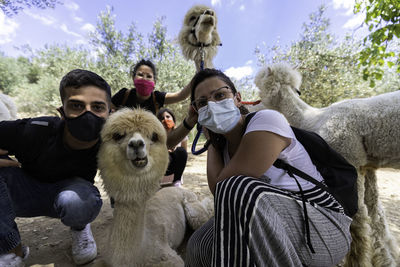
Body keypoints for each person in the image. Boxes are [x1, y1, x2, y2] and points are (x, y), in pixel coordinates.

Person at [183, 68, 352, 267]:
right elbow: (218, 193)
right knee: (198, 244)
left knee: (238, 187)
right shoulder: (222, 149)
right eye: (203, 104)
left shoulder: (267, 119)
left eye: (220, 95)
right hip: (274, 226)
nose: (212, 106)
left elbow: (226, 187)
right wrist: (211, 138)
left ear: (238, 98)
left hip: (323, 227)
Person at [0, 69, 112, 266]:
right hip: (24, 193)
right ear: (62, 112)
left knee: (76, 202)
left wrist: (187, 122)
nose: (88, 114)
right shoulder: (35, 130)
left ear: (109, 114)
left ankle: (80, 228)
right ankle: (11, 250)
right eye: (77, 105)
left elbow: (158, 146)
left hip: (73, 199)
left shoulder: (112, 143)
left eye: (97, 107)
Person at [111, 59, 192, 114]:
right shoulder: (123, 94)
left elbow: (181, 95)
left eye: (149, 76)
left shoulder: (157, 97)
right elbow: (107, 111)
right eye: (140, 74)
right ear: (133, 78)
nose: (144, 79)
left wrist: (198, 77)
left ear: (154, 82)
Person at [157, 108, 188, 187]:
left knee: (181, 151)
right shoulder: (155, 136)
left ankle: (177, 181)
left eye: (168, 117)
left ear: (173, 119)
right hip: (161, 167)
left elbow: (184, 155)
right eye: (162, 118)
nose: (165, 120)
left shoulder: (181, 134)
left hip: (174, 166)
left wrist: (175, 149)